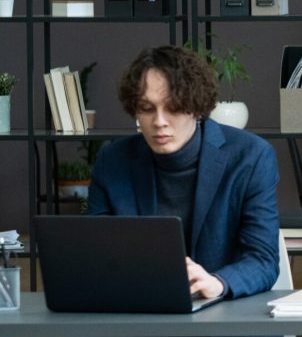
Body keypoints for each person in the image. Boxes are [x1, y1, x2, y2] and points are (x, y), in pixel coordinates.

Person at [87, 45, 280, 299]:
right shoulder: (112, 161)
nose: (159, 121)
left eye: (174, 107)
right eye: (147, 108)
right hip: (142, 312)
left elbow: (263, 260)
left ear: (197, 108)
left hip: (223, 313)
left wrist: (218, 283)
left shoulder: (251, 157)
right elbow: (94, 256)